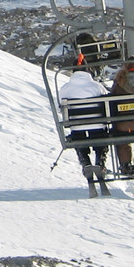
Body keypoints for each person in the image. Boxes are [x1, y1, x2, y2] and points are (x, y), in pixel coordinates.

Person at [57, 38, 110, 183]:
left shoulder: (65, 88)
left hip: (77, 126)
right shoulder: (96, 86)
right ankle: (100, 161)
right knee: (100, 135)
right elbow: (107, 102)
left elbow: (59, 106)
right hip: (98, 125)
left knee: (78, 135)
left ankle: (84, 160)